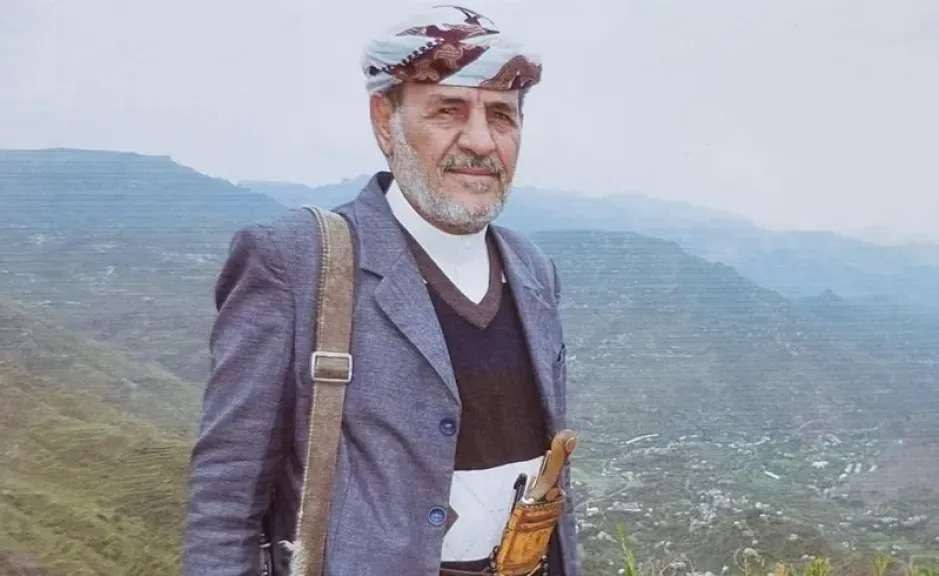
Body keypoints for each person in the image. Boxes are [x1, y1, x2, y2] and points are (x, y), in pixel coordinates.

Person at [182, 5, 577, 575]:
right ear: (384, 121)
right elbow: (226, 499)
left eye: (501, 116)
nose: (480, 141)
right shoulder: (299, 261)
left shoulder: (533, 270)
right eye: (447, 110)